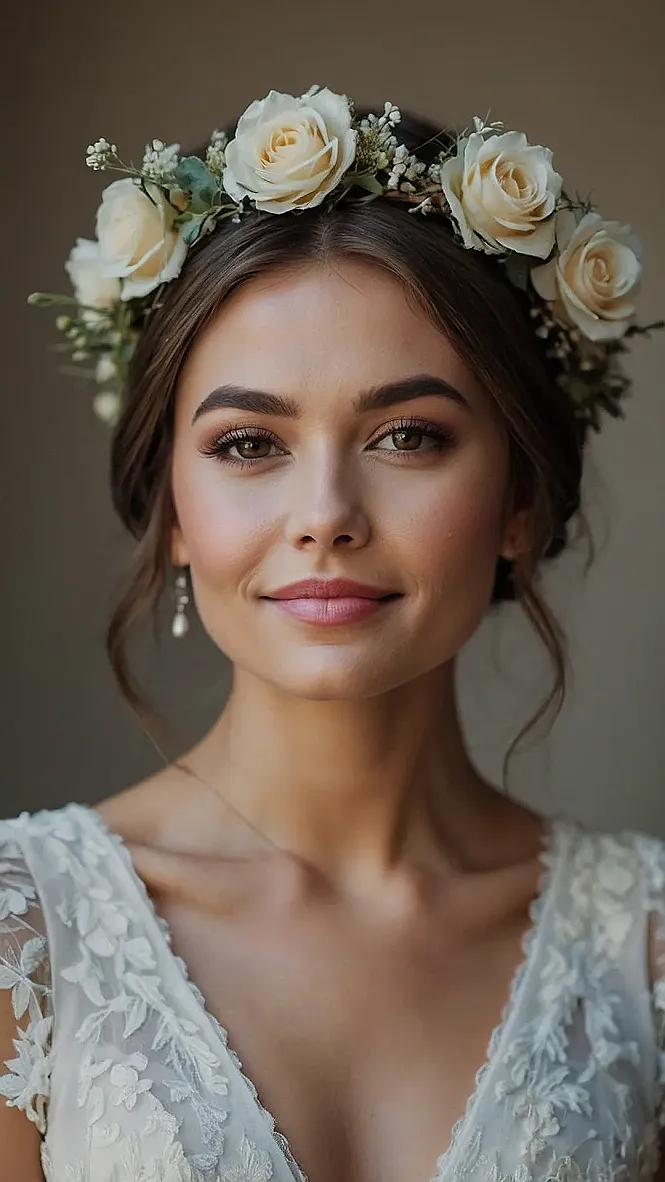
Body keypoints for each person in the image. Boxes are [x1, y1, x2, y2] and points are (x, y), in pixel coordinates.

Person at [1, 87, 664, 1182]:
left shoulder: (644, 948)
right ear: (169, 509)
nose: (325, 514)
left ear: (518, 502)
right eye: (248, 443)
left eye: (408, 435)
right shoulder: (25, 938)